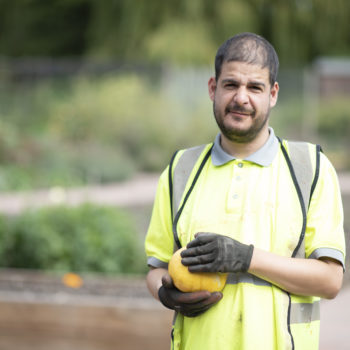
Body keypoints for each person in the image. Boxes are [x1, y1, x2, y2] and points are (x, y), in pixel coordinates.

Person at [144, 32, 345, 350]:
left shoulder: (310, 168)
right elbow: (156, 267)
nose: (241, 98)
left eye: (255, 87)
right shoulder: (180, 169)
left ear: (273, 94)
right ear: (213, 88)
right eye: (231, 85)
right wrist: (164, 292)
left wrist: (245, 257)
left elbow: (331, 281)